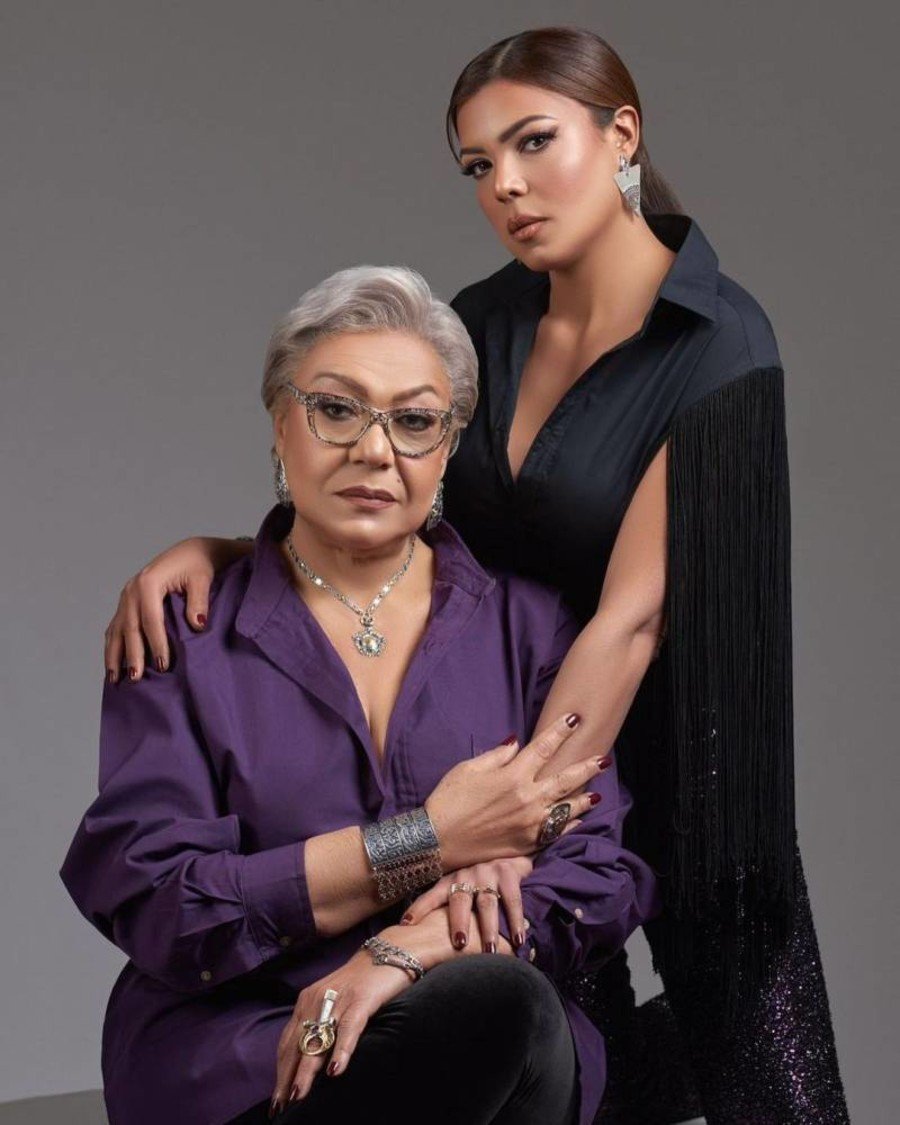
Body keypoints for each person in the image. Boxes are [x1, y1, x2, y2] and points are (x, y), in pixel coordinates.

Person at [97, 26, 849, 1125]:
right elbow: (382, 480)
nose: (505, 186)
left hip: (642, 753)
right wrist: (236, 555)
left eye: (534, 143)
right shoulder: (485, 322)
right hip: (494, 710)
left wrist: (508, 821)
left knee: (748, 1074)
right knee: (518, 1029)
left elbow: (632, 623)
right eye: (478, 164)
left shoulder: (715, 343)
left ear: (622, 135)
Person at [60, 265, 660, 1125]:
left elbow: (594, 872)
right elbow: (161, 900)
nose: (375, 450)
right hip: (241, 1056)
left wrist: (400, 953)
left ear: (448, 446)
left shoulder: (529, 629)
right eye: (336, 409)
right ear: (281, 423)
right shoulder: (182, 632)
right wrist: (430, 842)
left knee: (508, 1007)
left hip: (475, 1029)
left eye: (414, 421)